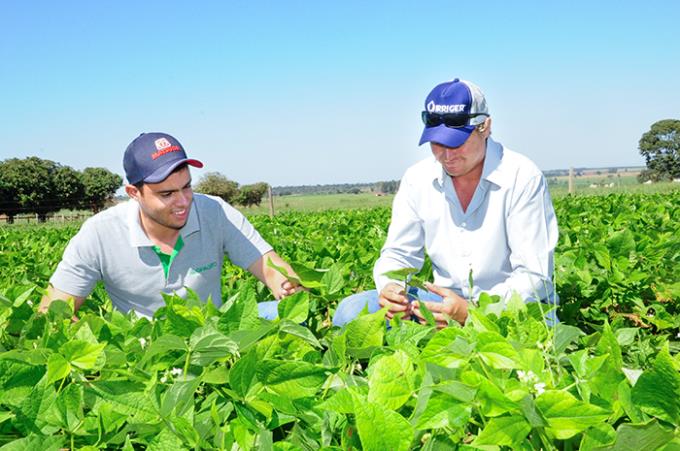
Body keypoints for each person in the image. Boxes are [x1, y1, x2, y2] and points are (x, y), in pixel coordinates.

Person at [333, 78, 559, 328]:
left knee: (524, 346)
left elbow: (534, 276)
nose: (447, 155)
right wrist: (391, 288)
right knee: (350, 313)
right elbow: (398, 254)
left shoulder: (522, 176)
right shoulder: (417, 179)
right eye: (438, 143)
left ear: (485, 127)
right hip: (443, 305)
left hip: (515, 308)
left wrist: (475, 312)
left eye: (457, 142)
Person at [39, 132, 296, 319]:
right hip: (143, 356)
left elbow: (270, 267)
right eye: (166, 194)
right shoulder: (100, 233)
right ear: (133, 192)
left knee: (297, 315)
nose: (183, 202)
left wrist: (288, 289)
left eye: (187, 187)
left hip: (212, 337)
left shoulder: (214, 211)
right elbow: (52, 311)